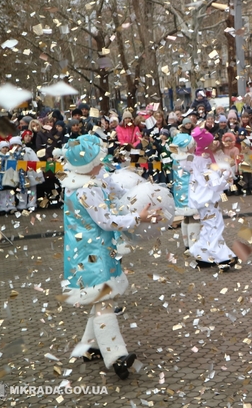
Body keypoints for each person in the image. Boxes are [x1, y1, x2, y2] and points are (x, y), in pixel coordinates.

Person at [57, 134, 155, 379]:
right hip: (93, 253)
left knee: (101, 298)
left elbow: (112, 185)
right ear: (88, 165)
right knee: (103, 300)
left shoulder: (77, 182)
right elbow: (107, 220)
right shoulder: (86, 190)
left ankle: (90, 347)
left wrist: (137, 189)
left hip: (88, 250)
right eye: (98, 162)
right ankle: (116, 357)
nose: (102, 165)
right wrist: (137, 218)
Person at [188, 128, 237, 269]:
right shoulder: (204, 160)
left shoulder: (197, 156)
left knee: (208, 226)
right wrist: (226, 175)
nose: (214, 143)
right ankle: (222, 258)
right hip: (207, 199)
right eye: (211, 142)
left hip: (202, 199)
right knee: (215, 226)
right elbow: (213, 184)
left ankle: (202, 256)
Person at [170, 133, 199, 252]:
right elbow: (198, 172)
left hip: (180, 192)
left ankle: (187, 244)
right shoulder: (188, 159)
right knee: (194, 218)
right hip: (189, 192)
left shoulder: (176, 158)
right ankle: (194, 246)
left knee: (186, 217)